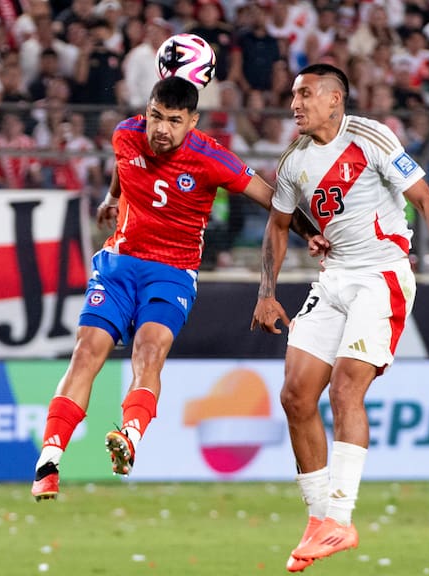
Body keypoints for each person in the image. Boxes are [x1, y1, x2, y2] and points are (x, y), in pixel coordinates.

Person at [249, 64, 429, 572]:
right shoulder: (294, 161)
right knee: (295, 395)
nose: (295, 104)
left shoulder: (371, 135)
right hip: (333, 277)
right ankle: (322, 523)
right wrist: (267, 293)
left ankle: (340, 516)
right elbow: (277, 224)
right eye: (293, 95)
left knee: (344, 391)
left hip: (381, 275)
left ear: (336, 99)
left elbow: (422, 199)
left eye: (306, 94)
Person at [30, 76, 278, 501]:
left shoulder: (212, 158)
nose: (161, 129)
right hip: (118, 264)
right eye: (155, 117)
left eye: (174, 121)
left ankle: (130, 437)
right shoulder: (127, 134)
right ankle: (49, 461)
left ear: (193, 122)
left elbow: (273, 200)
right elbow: (122, 164)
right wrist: (111, 198)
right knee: (86, 350)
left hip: (172, 272)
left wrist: (316, 232)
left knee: (149, 349)